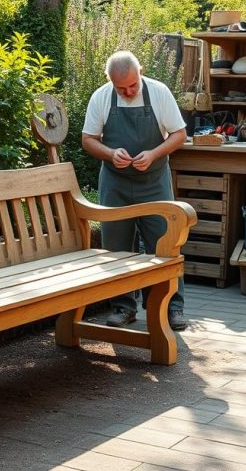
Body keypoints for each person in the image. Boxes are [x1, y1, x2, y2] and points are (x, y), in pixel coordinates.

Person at [81, 50, 188, 331]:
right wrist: (109, 152)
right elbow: (88, 140)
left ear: (140, 72)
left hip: (154, 181)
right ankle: (122, 306)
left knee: (164, 241)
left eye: (132, 85)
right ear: (110, 82)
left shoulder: (160, 93)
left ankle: (170, 306)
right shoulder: (101, 97)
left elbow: (179, 134)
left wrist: (153, 154)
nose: (128, 92)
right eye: (121, 88)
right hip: (115, 183)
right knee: (116, 246)